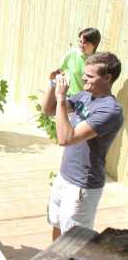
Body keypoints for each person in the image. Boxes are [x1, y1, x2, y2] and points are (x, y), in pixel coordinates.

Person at [42, 52, 124, 240]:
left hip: (82, 186)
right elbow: (48, 110)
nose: (82, 78)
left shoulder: (110, 110)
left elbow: (66, 138)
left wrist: (62, 99)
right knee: (56, 224)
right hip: (64, 176)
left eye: (89, 75)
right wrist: (52, 84)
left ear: (108, 78)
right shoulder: (84, 96)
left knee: (74, 240)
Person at [55, 28, 101, 96]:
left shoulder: (99, 60)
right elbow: (58, 72)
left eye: (86, 43)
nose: (81, 45)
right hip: (70, 97)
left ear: (94, 45)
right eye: (80, 41)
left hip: (88, 100)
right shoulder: (72, 54)